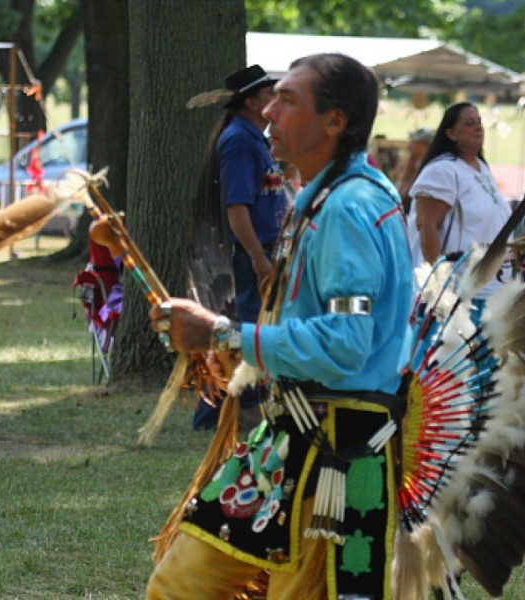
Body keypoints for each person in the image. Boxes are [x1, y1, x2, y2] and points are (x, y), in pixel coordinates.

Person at [146, 53, 412, 599]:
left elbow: (346, 344)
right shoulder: (325, 198)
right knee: (181, 584)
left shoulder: (349, 209)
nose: (268, 110)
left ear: (335, 121)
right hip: (288, 442)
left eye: (287, 99)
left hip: (337, 456)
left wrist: (223, 333)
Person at [407, 102, 512, 322]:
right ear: (450, 133)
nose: (478, 128)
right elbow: (427, 225)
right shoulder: (442, 170)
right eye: (470, 123)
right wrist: (438, 287)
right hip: (456, 294)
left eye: (480, 123)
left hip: (490, 290)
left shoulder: (482, 168)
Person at [214, 64, 289, 324]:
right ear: (251, 102)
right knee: (256, 325)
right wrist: (258, 257)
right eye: (270, 93)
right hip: (254, 253)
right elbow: (236, 206)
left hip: (266, 250)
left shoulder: (255, 138)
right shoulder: (240, 140)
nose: (276, 99)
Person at [396, 127, 434, 214]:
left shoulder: (431, 166)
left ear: (425, 146)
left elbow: (406, 193)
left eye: (414, 142)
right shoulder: (414, 160)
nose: (409, 146)